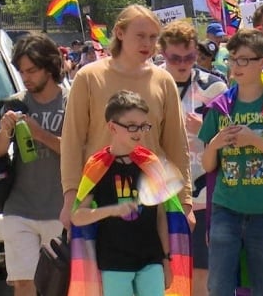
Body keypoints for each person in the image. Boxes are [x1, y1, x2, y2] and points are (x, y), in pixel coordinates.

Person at [60, 4, 193, 232]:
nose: (147, 44)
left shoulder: (164, 80)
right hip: (98, 196)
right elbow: (72, 142)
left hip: (153, 197)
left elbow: (176, 145)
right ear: (120, 33)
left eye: (153, 37)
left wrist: (185, 203)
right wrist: (70, 197)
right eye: (140, 36)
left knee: (157, 267)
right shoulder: (89, 77)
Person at [199, 29, 263, 296]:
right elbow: (208, 164)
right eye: (233, 59)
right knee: (219, 286)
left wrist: (256, 141)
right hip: (226, 210)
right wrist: (216, 143)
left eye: (245, 59)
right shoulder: (220, 107)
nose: (237, 66)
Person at [71, 90, 188, 296]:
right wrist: (112, 210)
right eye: (132, 126)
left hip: (151, 259)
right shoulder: (97, 166)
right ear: (112, 127)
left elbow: (161, 215)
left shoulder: (150, 163)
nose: (139, 132)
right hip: (113, 261)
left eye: (143, 126)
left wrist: (166, 259)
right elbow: (78, 217)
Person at [0, 34, 69, 296]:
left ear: (50, 66)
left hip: (59, 209)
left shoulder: (71, 101)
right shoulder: (16, 102)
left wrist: (39, 134)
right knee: (24, 283)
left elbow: (78, 153)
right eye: (22, 71)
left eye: (32, 70)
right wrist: (4, 130)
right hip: (20, 207)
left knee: (56, 286)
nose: (26, 77)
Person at [159, 20, 228, 296]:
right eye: (175, 58)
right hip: (160, 194)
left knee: (202, 272)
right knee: (167, 272)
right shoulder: (149, 84)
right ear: (162, 52)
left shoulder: (214, 87)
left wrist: (204, 132)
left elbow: (230, 143)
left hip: (203, 195)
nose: (183, 63)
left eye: (189, 57)